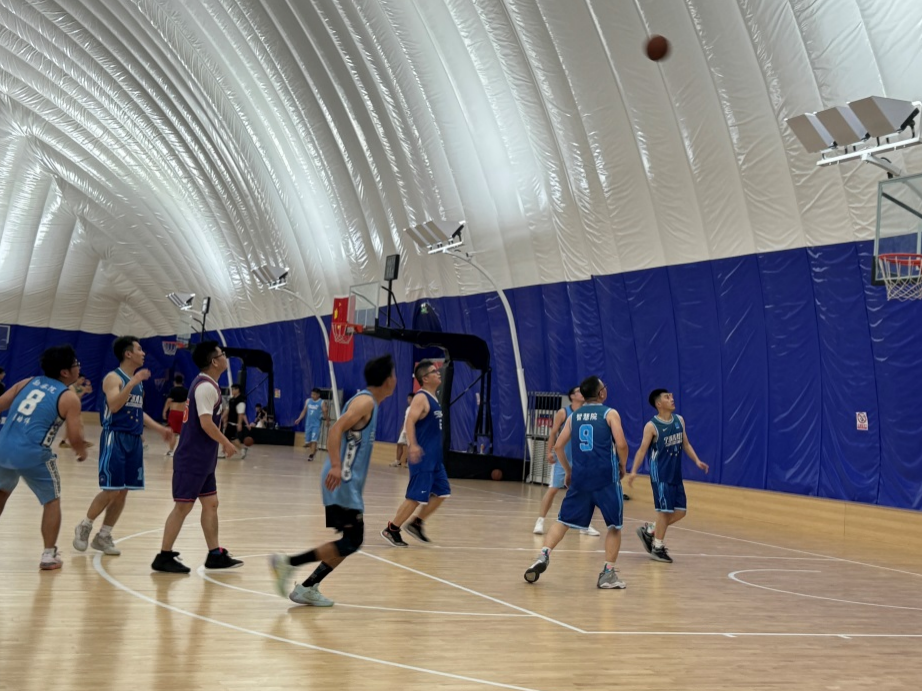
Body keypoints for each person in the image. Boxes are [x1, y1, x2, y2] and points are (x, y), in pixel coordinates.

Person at [269, 355, 397, 606]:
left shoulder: (369, 402)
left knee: (349, 542)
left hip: (347, 482)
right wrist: (337, 466)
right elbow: (336, 429)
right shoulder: (365, 402)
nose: (396, 379)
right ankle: (288, 563)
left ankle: (308, 587)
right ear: (387, 380)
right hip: (341, 481)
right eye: (393, 374)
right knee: (352, 541)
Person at [524, 375, 629, 589]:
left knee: (562, 521)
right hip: (605, 478)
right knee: (614, 526)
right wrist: (622, 465)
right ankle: (608, 574)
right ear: (601, 393)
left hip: (581, 477)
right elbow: (621, 444)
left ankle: (543, 555)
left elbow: (558, 447)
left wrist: (569, 471)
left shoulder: (575, 416)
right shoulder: (610, 413)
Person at [73, 337, 173, 556]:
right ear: (128, 354)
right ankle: (85, 525)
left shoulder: (136, 384)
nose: (143, 353)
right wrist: (133, 382)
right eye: (139, 349)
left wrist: (159, 428)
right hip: (115, 437)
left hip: (134, 440)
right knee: (112, 489)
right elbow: (115, 405)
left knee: (123, 491)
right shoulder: (113, 378)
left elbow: (138, 411)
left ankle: (103, 535)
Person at [151, 341, 242, 573]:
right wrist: (226, 442)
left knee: (211, 504)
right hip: (192, 458)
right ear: (214, 361)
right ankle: (163, 556)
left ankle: (215, 555)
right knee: (182, 507)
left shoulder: (209, 384)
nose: (225, 356)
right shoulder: (205, 387)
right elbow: (206, 423)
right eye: (222, 354)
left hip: (204, 459)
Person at [0, 346, 89, 569]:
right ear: (65, 372)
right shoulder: (69, 397)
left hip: (3, 448)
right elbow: (75, 436)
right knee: (51, 500)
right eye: (76, 364)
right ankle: (49, 555)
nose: (79, 368)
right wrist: (82, 451)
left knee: (1, 492)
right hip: (33, 454)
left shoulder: (26, 382)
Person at [626, 389, 709, 563]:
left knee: (681, 512)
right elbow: (642, 450)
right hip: (661, 475)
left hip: (675, 474)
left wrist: (697, 460)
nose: (672, 399)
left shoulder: (679, 420)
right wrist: (633, 471)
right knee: (664, 512)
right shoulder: (652, 426)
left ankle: (650, 530)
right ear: (659, 404)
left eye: (671, 396)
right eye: (667, 397)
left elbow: (686, 444)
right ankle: (657, 547)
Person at [381, 360, 450, 547]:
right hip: (423, 458)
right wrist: (412, 445)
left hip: (435, 459)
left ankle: (416, 523)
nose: (438, 373)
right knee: (415, 497)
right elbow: (410, 421)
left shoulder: (433, 397)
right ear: (425, 378)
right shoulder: (421, 398)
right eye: (434, 371)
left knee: (443, 492)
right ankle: (392, 529)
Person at [533, 387, 600, 537]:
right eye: (578, 391)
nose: (582, 393)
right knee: (553, 489)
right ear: (572, 396)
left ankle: (585, 525)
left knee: (586, 492)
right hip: (563, 458)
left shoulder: (588, 413)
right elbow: (553, 432)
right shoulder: (563, 412)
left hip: (581, 460)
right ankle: (540, 520)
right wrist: (549, 451)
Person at [294, 388, 328, 461]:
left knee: (314, 440)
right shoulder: (308, 401)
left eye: (314, 394)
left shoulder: (321, 402)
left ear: (318, 395)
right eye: (312, 394)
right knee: (308, 442)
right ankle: (314, 450)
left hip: (316, 424)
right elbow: (304, 411)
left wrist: (326, 420)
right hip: (308, 424)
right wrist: (299, 418)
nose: (313, 396)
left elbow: (325, 411)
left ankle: (311, 455)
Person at [162, 374, 188, 456]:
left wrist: (164, 411)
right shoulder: (186, 391)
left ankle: (171, 450)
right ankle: (183, 450)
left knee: (173, 432)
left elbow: (169, 401)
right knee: (182, 433)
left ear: (174, 382)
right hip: (183, 413)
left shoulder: (173, 390)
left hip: (174, 413)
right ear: (182, 382)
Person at [224, 384, 250, 459]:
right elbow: (227, 410)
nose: (232, 391)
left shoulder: (241, 401)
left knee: (229, 438)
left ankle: (241, 449)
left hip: (234, 423)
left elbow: (241, 413)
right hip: (230, 421)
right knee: (228, 438)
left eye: (233, 389)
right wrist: (222, 418)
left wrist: (239, 423)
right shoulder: (231, 400)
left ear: (237, 390)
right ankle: (227, 451)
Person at [389, 393, 414, 467]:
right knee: (399, 444)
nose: (408, 400)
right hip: (404, 430)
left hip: (411, 430)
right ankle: (397, 461)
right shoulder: (408, 408)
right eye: (408, 398)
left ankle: (409, 463)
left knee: (410, 446)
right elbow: (405, 419)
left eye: (410, 398)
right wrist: (402, 429)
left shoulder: (415, 408)